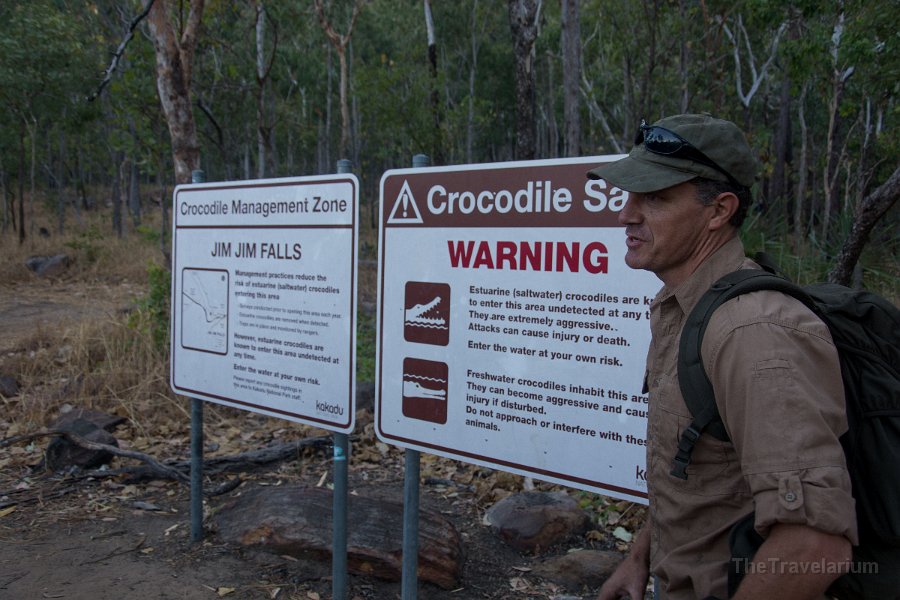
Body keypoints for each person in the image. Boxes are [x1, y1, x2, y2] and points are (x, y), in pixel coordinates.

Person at [587, 114, 857, 600]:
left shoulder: (752, 333)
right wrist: (639, 559)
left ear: (719, 211)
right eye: (628, 196)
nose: (626, 215)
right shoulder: (680, 306)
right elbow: (695, 470)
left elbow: (813, 545)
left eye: (654, 198)